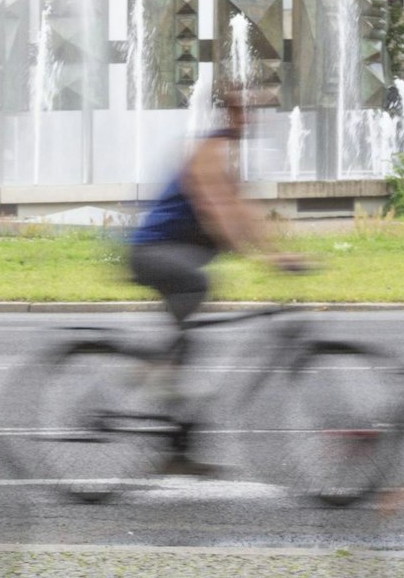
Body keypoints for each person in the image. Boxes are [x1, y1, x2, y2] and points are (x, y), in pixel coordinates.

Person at [129, 88, 305, 474]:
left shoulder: (227, 157)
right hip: (152, 252)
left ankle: (176, 448)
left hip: (174, 254)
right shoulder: (208, 151)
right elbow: (216, 205)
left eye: (251, 110)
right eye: (242, 110)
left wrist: (278, 252)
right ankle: (153, 369)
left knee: (188, 346)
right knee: (196, 290)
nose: (249, 117)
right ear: (227, 113)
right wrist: (258, 254)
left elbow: (243, 210)